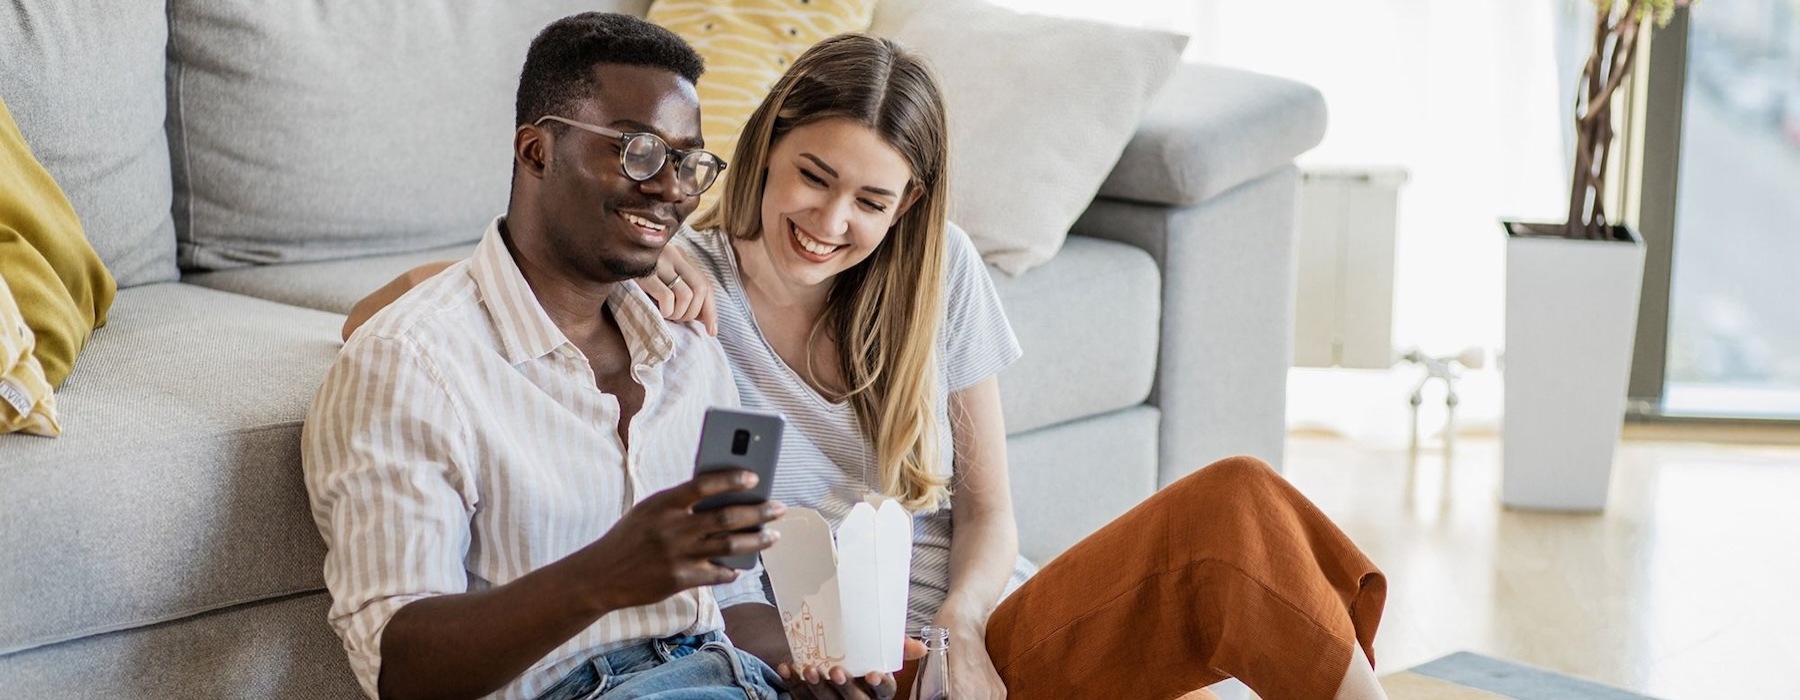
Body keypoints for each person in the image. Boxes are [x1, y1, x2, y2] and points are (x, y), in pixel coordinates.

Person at [348, 34, 1390, 700]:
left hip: (977, 641)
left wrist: (964, 629)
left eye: (873, 203)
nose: (832, 221)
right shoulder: (677, 287)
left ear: (908, 211)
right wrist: (653, 253)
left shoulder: (939, 276)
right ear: (769, 146)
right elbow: (408, 308)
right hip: (832, 665)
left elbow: (991, 515)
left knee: (1238, 512)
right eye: (814, 177)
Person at [304, 14, 915, 700]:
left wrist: (810, 670)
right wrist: (603, 576)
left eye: (688, 164)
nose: (672, 188)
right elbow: (402, 671)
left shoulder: (690, 347)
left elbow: (734, 596)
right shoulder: (410, 366)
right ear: (536, 152)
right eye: (639, 152)